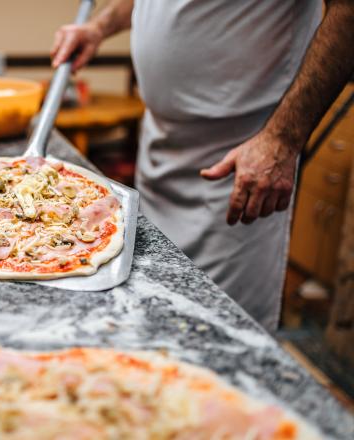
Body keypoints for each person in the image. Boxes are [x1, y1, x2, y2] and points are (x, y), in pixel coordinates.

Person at [52, 0, 354, 331]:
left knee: (216, 328)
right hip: (159, 147)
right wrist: (99, 26)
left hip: (239, 157)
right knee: (147, 316)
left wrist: (282, 140)